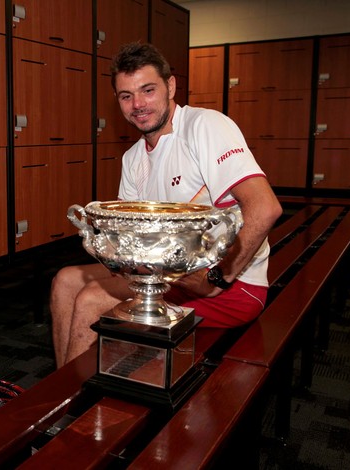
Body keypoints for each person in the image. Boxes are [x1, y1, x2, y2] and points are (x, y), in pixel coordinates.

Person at [50, 42, 283, 368]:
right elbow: (133, 237)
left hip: (232, 288)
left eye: (148, 90)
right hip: (167, 277)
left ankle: (79, 412)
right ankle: (62, 394)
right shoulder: (133, 159)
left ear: (170, 86)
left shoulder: (205, 126)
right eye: (126, 96)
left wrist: (217, 277)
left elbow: (265, 207)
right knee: (65, 281)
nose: (138, 104)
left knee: (91, 300)